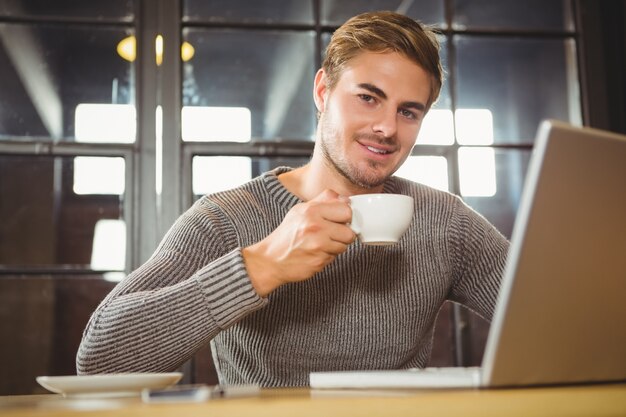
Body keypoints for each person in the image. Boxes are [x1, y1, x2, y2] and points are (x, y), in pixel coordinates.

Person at [77, 10, 509, 387]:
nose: (387, 128)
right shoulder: (223, 219)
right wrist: (262, 265)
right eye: (367, 98)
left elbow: (555, 318)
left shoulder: (445, 221)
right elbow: (99, 362)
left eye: (408, 111)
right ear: (323, 91)